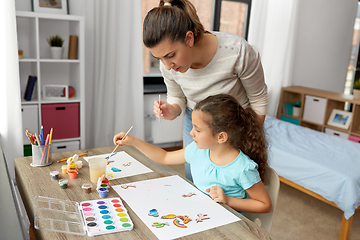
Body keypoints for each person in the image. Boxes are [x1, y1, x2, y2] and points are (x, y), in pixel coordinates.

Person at [143, 0, 268, 181]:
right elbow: (177, 96)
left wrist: (249, 138)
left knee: (235, 179)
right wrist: (173, 108)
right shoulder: (168, 65)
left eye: (170, 55)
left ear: (189, 38)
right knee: (195, 176)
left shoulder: (237, 51)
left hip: (236, 123)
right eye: (159, 58)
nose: (167, 66)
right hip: (196, 119)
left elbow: (259, 99)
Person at [113, 94, 271, 214]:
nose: (191, 133)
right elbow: (164, 157)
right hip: (200, 213)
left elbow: (264, 205)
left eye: (198, 129)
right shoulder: (198, 151)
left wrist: (228, 200)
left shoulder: (242, 167)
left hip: (227, 225)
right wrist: (133, 141)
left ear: (221, 137)